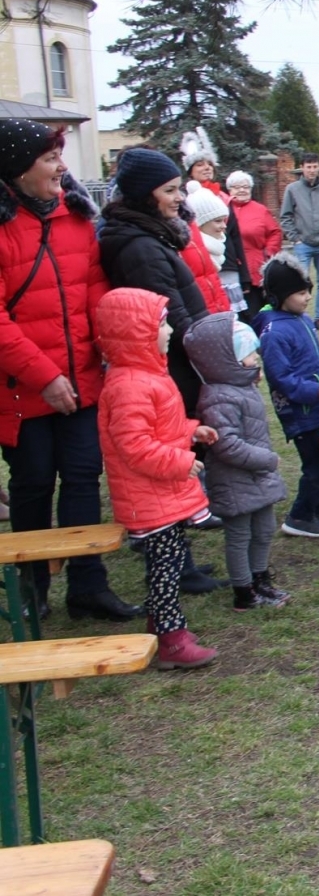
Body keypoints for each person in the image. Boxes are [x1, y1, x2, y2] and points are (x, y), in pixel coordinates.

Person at [0, 119, 141, 623]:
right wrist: (43, 375)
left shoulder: (77, 219)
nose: (62, 166)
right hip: (22, 389)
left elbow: (94, 290)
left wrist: (109, 346)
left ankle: (87, 584)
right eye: (49, 158)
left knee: (83, 478)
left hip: (82, 378)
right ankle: (32, 587)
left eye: (60, 156)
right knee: (34, 483)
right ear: (17, 169)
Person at [99, 148, 224, 591]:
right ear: (144, 194)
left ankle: (183, 559)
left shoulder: (150, 236)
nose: (179, 198)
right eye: (170, 190)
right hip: (167, 367)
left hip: (172, 364)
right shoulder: (140, 247)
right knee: (169, 464)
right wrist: (207, 353)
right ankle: (177, 564)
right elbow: (166, 315)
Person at [95, 286, 219, 669]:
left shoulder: (147, 374)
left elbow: (160, 427)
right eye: (161, 324)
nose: (168, 331)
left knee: (170, 560)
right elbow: (135, 446)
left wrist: (190, 431)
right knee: (165, 571)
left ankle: (162, 625)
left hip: (161, 494)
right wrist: (181, 461)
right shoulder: (130, 384)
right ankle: (171, 640)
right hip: (150, 496)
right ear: (136, 332)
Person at [183, 312, 290, 611]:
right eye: (249, 353)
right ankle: (244, 591)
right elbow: (226, 444)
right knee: (240, 535)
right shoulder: (218, 397)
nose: (256, 357)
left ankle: (260, 579)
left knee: (265, 528)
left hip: (256, 477)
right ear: (227, 360)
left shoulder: (242, 386)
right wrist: (265, 459)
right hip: (236, 479)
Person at [257, 253, 319, 539]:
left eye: (308, 290)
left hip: (318, 406)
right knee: (315, 465)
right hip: (300, 412)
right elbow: (281, 378)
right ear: (280, 295)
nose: (308, 297)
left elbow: (315, 355)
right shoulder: (274, 333)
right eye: (300, 292)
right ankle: (299, 516)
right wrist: (316, 392)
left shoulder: (301, 319)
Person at [277, 152, 319, 329]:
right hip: (303, 244)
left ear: (318, 167)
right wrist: (294, 238)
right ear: (302, 168)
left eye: (314, 167)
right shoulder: (293, 189)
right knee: (299, 282)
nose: (312, 170)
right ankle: (299, 316)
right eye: (308, 167)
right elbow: (286, 216)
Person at [224, 170, 281, 318]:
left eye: (246, 187)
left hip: (256, 265)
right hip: (232, 266)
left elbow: (275, 232)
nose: (242, 190)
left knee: (257, 308)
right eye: (237, 187)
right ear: (229, 190)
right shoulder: (223, 210)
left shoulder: (260, 210)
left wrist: (268, 251)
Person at [181, 184, 235, 315]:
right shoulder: (190, 252)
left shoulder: (213, 252)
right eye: (217, 221)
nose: (223, 226)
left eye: (224, 221)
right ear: (200, 223)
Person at [179, 127, 225, 201]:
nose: (207, 167)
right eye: (200, 165)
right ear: (190, 172)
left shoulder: (224, 197)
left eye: (210, 164)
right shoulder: (183, 197)